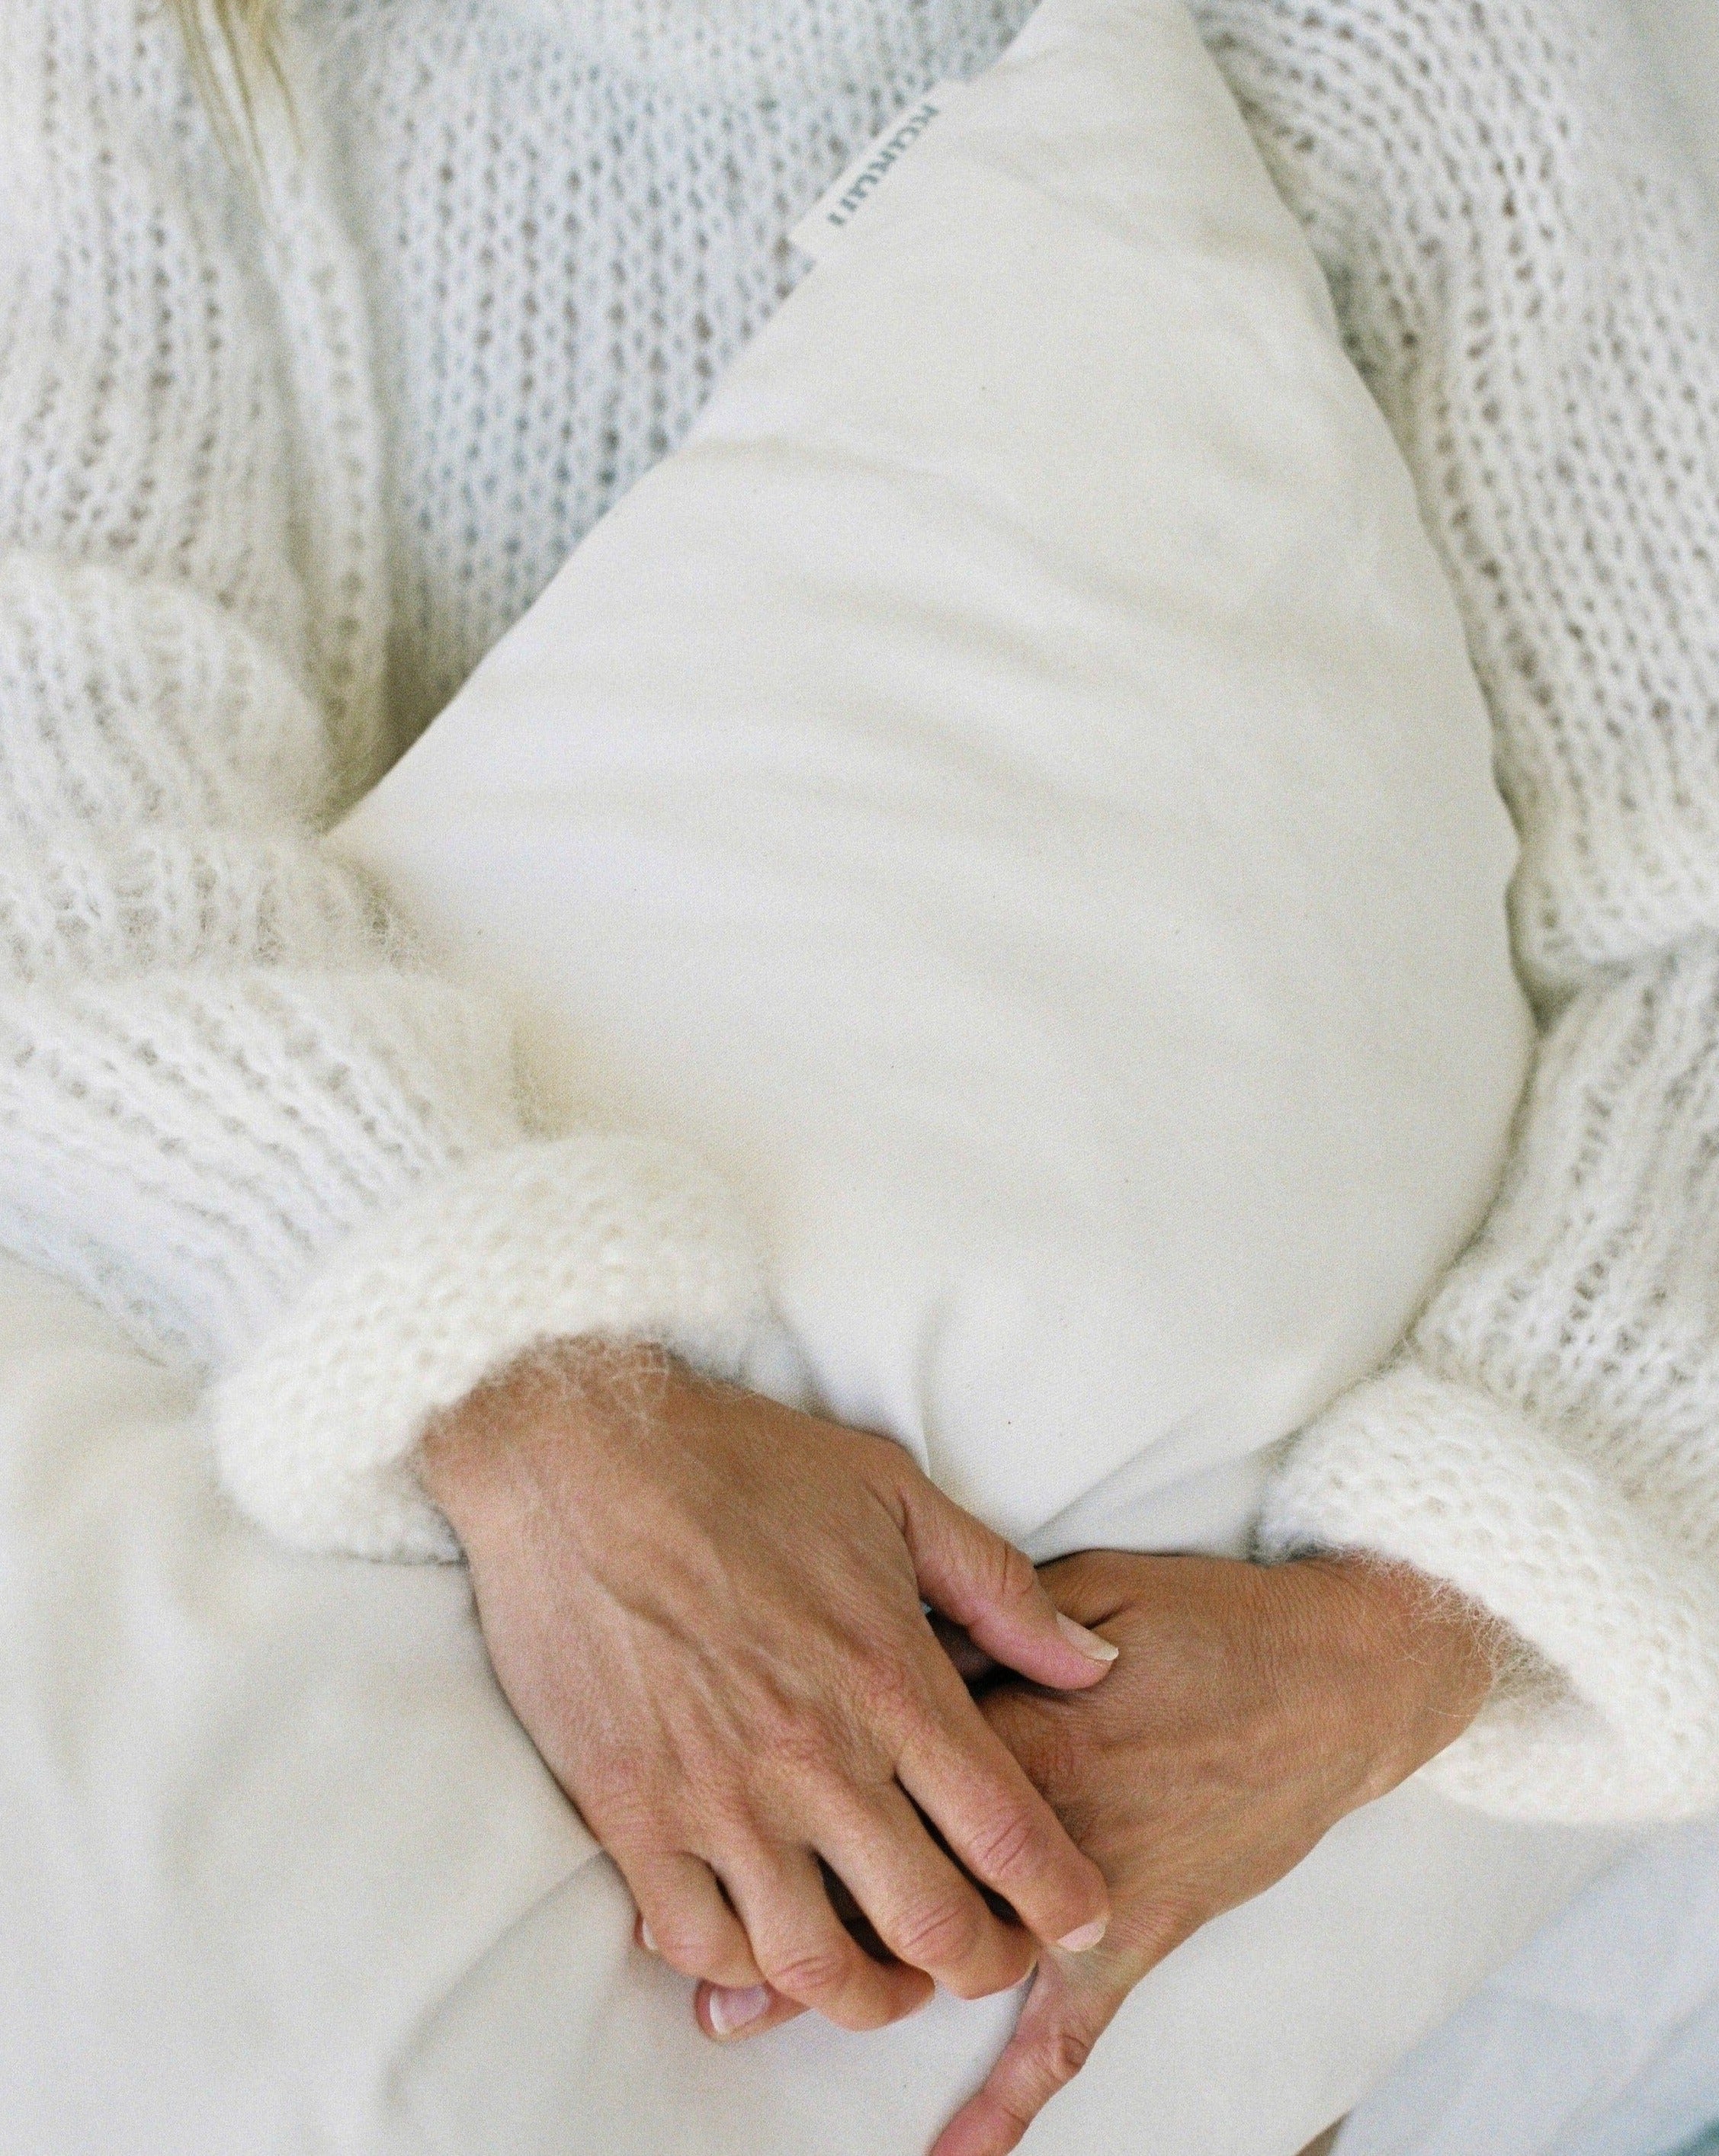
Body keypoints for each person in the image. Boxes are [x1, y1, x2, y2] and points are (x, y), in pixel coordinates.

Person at [4, 1, 1717, 2152]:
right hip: (321, 1626)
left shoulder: (1417, 41)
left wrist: (1410, 1636)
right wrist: (543, 1416)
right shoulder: (143, 46)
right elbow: (61, 776)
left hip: (1172, 1798)